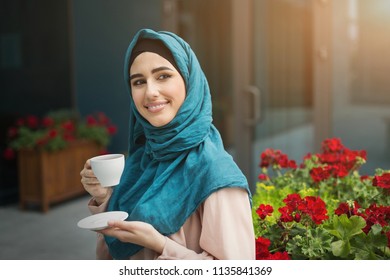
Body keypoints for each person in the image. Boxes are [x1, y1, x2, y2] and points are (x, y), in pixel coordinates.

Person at [80, 28, 255, 260]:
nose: (150, 92)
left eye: (163, 76)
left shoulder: (216, 172)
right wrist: (104, 197)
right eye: (139, 82)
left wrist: (160, 244)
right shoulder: (143, 158)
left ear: (188, 81)